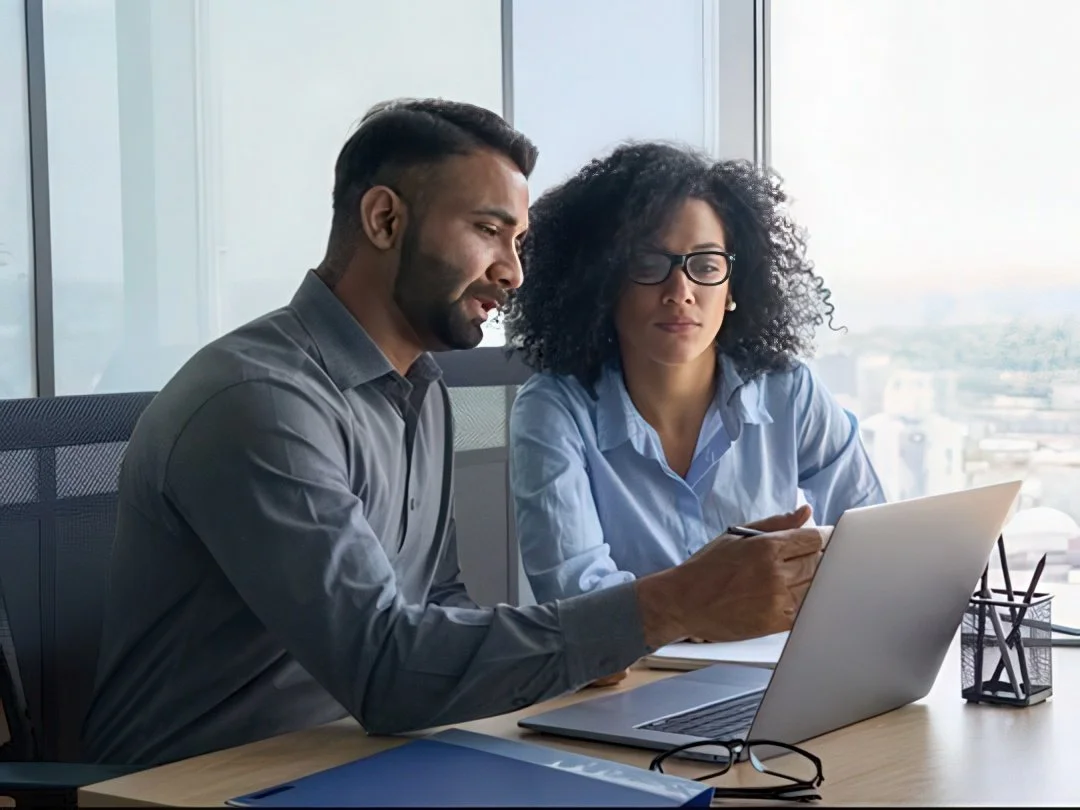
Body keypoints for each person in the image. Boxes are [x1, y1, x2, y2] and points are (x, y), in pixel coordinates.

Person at [82, 101, 824, 768]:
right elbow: (384, 668)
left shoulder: (421, 390)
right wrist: (666, 606)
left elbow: (437, 603)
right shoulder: (262, 402)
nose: (513, 273)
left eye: (520, 241)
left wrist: (589, 644)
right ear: (384, 220)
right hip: (204, 781)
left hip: (365, 758)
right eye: (489, 231)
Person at [504, 142, 885, 606]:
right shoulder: (554, 409)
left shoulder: (790, 392)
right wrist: (714, 603)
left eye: (705, 265)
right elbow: (577, 601)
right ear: (602, 283)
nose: (680, 291)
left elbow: (873, 543)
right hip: (633, 678)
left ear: (732, 288)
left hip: (780, 667)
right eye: (648, 264)